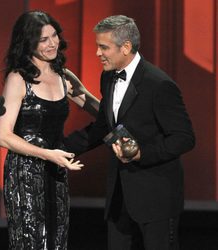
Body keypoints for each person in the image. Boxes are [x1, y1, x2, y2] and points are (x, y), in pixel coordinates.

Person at [64, 15, 195, 250]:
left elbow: (184, 138)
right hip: (119, 197)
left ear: (126, 47)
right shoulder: (108, 77)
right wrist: (59, 148)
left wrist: (141, 154)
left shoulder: (159, 85)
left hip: (156, 198)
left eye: (103, 47)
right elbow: (103, 127)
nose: (97, 53)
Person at [0, 10, 99, 250]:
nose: (53, 43)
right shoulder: (18, 79)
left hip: (56, 168)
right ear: (27, 43)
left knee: (57, 237)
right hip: (25, 172)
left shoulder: (64, 76)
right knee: (32, 241)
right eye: (43, 40)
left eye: (54, 36)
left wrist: (127, 119)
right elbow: (3, 136)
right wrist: (48, 154)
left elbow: (99, 110)